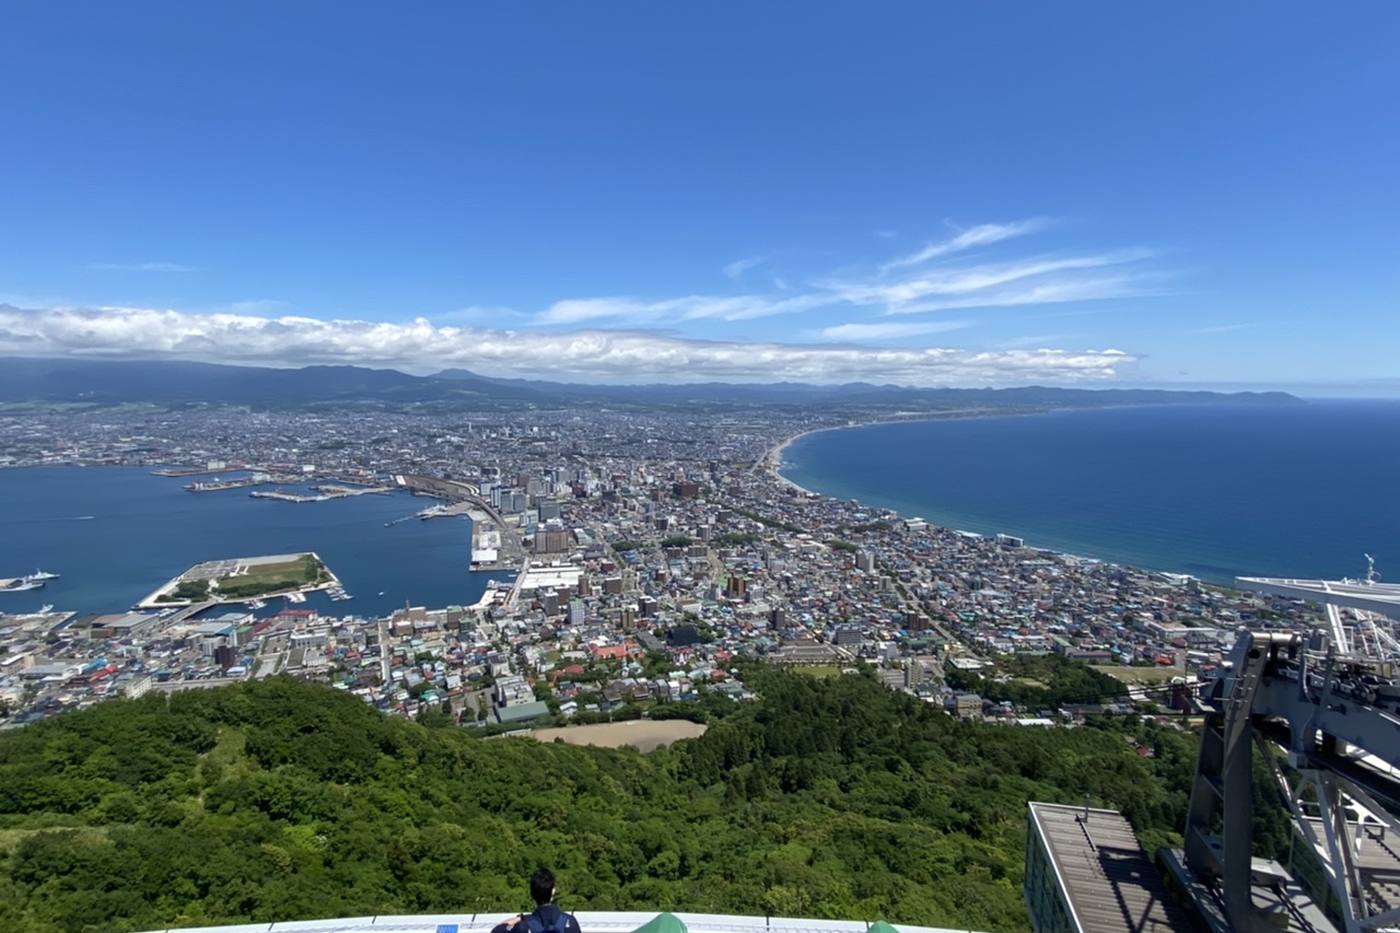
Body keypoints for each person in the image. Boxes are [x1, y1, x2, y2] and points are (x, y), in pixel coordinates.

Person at [493, 868, 582, 933]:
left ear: (532, 894)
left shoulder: (523, 927)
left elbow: (496, 930)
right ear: (553, 891)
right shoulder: (570, 923)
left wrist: (521, 918)